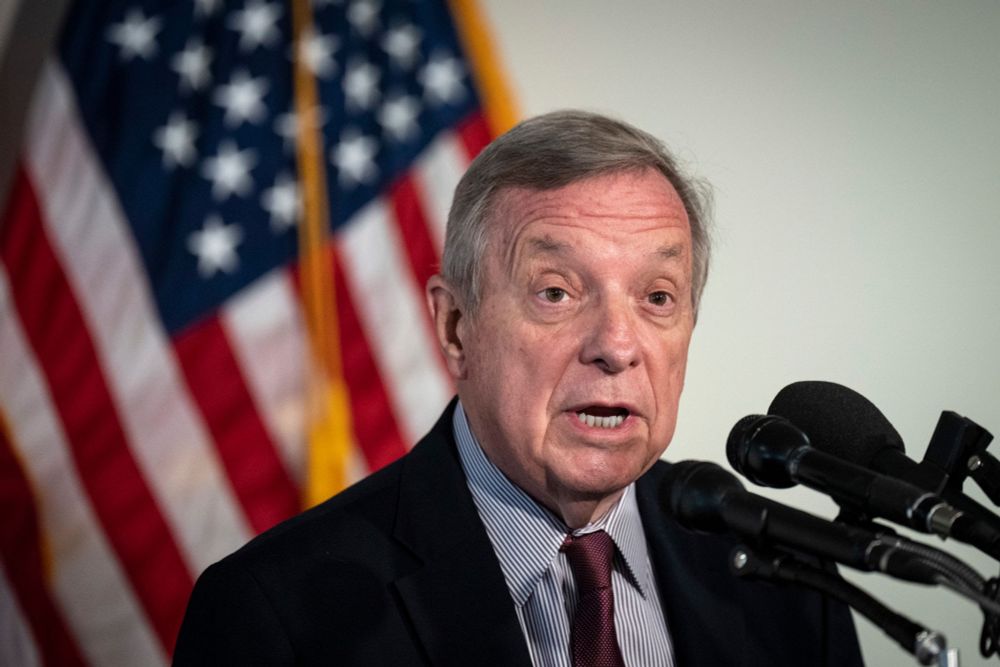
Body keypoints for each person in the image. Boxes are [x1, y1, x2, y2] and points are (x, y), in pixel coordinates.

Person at [173, 111, 864, 666]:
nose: (617, 345)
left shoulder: (790, 584)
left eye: (657, 296)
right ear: (454, 327)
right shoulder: (274, 614)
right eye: (557, 292)